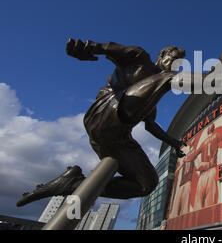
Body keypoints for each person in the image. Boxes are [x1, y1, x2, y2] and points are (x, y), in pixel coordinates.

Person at [17, 39, 188, 207]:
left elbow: (150, 125)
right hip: (103, 116)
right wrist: (87, 48)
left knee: (146, 184)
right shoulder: (140, 59)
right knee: (166, 78)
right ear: (163, 55)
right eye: (173, 60)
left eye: (179, 64)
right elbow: (109, 49)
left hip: (115, 140)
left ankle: (71, 185)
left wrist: (174, 143)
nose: (175, 66)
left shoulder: (151, 95)